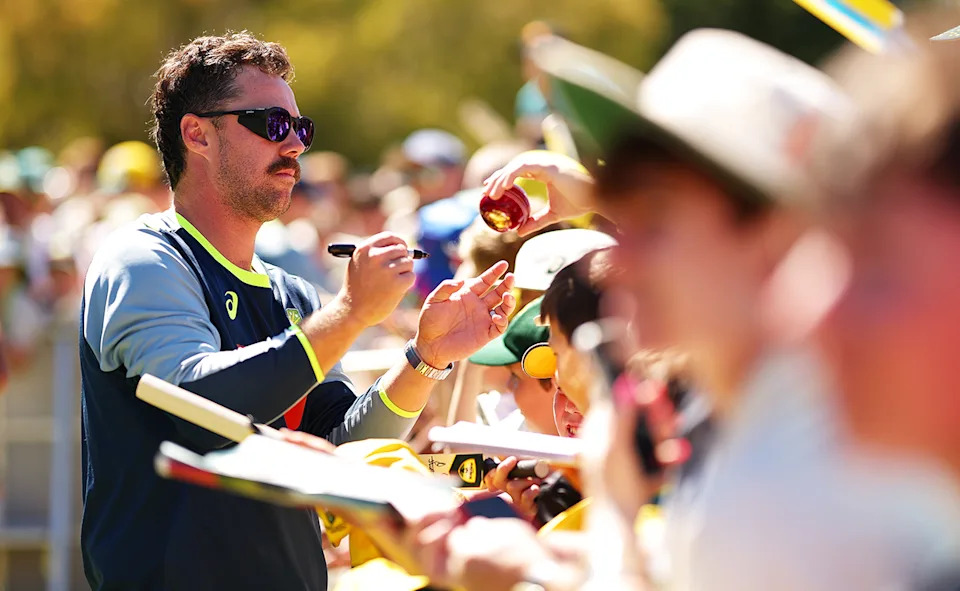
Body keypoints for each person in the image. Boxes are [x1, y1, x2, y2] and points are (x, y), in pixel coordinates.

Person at [480, 29, 960, 590]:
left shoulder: (815, 471)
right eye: (620, 220)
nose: (615, 261)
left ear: (777, 236)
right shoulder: (763, 419)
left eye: (653, 221)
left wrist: (599, 531)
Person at [80, 32, 515, 591]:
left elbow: (337, 451)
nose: (294, 146)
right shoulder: (143, 260)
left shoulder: (290, 291)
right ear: (197, 134)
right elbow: (198, 412)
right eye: (272, 124)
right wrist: (349, 314)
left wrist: (425, 357)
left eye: (301, 128)